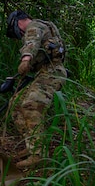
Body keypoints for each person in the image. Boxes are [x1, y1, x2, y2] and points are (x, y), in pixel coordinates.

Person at [5, 9, 67, 169]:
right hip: (44, 73)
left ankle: (39, 154)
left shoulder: (34, 26)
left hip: (52, 72)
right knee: (15, 104)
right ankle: (32, 144)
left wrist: (26, 59)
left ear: (18, 23)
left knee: (31, 106)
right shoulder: (45, 26)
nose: (19, 36)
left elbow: (31, 42)